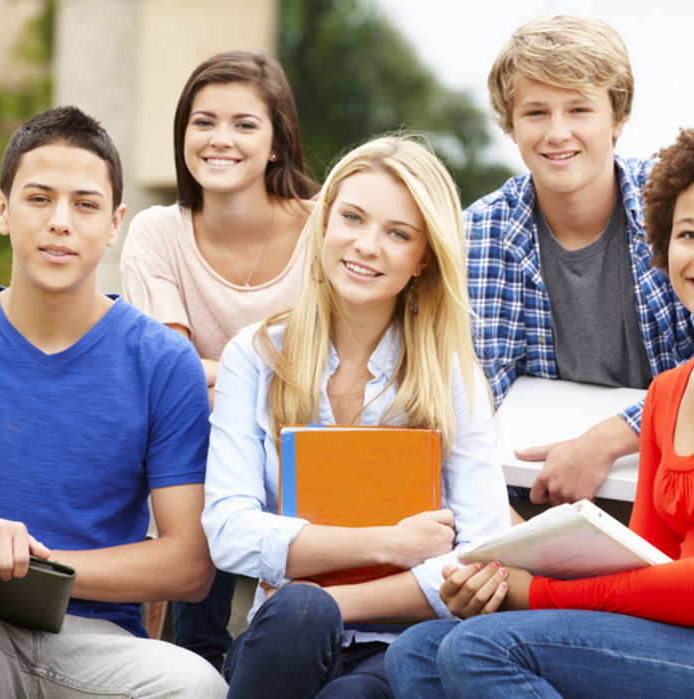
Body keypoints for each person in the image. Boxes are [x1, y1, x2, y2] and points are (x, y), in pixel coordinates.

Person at [384, 123, 694, 698]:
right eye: (690, 234)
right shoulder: (669, 392)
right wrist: (499, 581)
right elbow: (645, 567)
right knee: (418, 653)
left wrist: (534, 594)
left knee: (483, 646)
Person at [0, 106, 227, 697]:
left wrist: (38, 565)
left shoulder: (164, 363)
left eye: (85, 205)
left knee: (197, 683)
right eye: (39, 199)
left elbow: (189, 565)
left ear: (114, 224)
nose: (61, 222)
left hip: (97, 646)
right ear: (2, 210)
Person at [201, 134, 510, 698]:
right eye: (353, 218)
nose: (368, 245)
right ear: (324, 225)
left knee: (344, 680)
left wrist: (332, 598)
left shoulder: (453, 375)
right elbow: (227, 532)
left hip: (398, 645)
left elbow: (480, 555)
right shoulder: (256, 354)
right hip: (283, 639)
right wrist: (386, 543)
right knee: (298, 615)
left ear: (423, 260)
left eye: (397, 233)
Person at [120, 49, 318, 671]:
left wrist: (228, 378)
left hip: (307, 439)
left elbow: (334, 365)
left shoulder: (328, 227)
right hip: (200, 444)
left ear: (278, 142)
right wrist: (254, 381)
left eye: (243, 124)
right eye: (202, 122)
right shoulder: (158, 233)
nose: (219, 139)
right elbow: (174, 375)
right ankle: (194, 661)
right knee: (194, 426)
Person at [466, 15, 694, 506]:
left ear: (616, 119)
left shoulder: (683, 212)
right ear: (510, 125)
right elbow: (472, 403)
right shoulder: (476, 237)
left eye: (578, 109)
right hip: (532, 498)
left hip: (686, 486)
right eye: (535, 113)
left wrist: (604, 442)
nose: (557, 133)